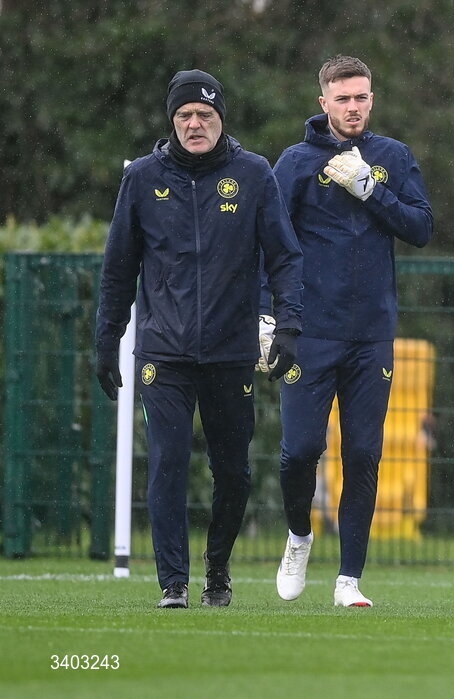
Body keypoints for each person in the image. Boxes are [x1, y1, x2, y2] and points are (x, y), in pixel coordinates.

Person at [95, 69, 304, 609]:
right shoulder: (141, 178)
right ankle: (172, 585)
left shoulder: (254, 174)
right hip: (162, 351)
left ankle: (217, 569)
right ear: (172, 121)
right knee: (166, 463)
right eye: (185, 115)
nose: (194, 124)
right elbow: (119, 268)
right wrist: (106, 338)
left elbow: (284, 257)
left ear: (220, 120)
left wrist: (289, 324)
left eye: (204, 116)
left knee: (233, 472)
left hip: (232, 350)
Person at [268, 55, 433, 608]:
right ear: (324, 103)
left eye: (362, 97)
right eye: (343, 98)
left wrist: (373, 191)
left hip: (372, 335)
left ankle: (348, 581)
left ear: (371, 98)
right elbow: (267, 243)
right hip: (310, 333)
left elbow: (421, 228)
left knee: (363, 453)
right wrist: (267, 314)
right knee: (300, 452)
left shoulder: (392, 157)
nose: (354, 107)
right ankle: (298, 535)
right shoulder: (294, 162)